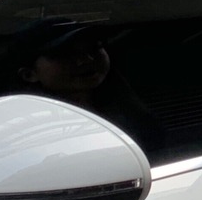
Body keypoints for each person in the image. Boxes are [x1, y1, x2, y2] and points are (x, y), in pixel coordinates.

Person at [11, 17, 164, 155]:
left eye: (94, 47)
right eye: (64, 54)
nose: (86, 60)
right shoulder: (26, 129)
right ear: (29, 74)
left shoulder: (129, 98)